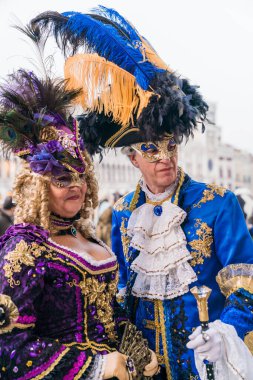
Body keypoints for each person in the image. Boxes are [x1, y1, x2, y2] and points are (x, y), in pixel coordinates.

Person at [32, 6, 253, 379]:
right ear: (133, 158)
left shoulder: (217, 203)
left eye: (170, 145)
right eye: (151, 150)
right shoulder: (121, 213)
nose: (165, 158)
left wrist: (226, 330)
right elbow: (122, 294)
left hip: (207, 367)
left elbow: (246, 283)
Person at [0, 67, 158, 379]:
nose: (76, 185)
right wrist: (96, 367)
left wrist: (137, 352)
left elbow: (111, 313)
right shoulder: (25, 247)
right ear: (39, 186)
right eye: (62, 178)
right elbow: (8, 349)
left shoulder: (88, 239)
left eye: (80, 176)